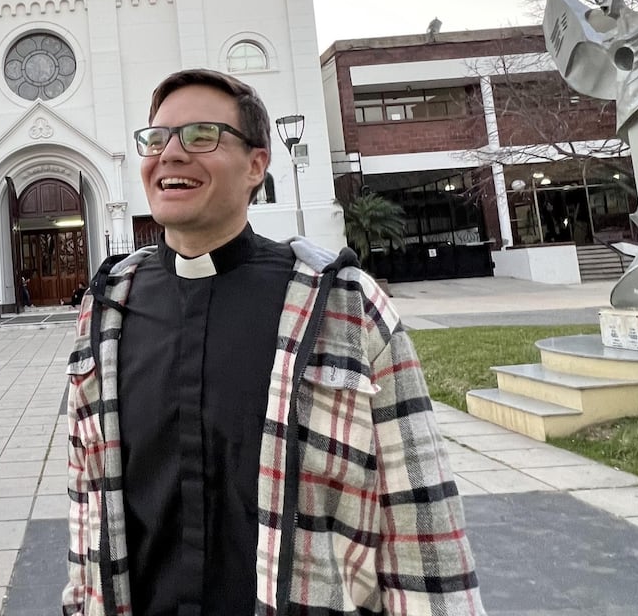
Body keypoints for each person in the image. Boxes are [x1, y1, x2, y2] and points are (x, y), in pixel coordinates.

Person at [63, 69, 485, 615]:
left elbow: (420, 515)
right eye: (157, 138)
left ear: (256, 166)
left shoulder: (344, 306)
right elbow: (87, 497)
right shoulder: (105, 310)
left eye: (200, 136)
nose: (170, 153)